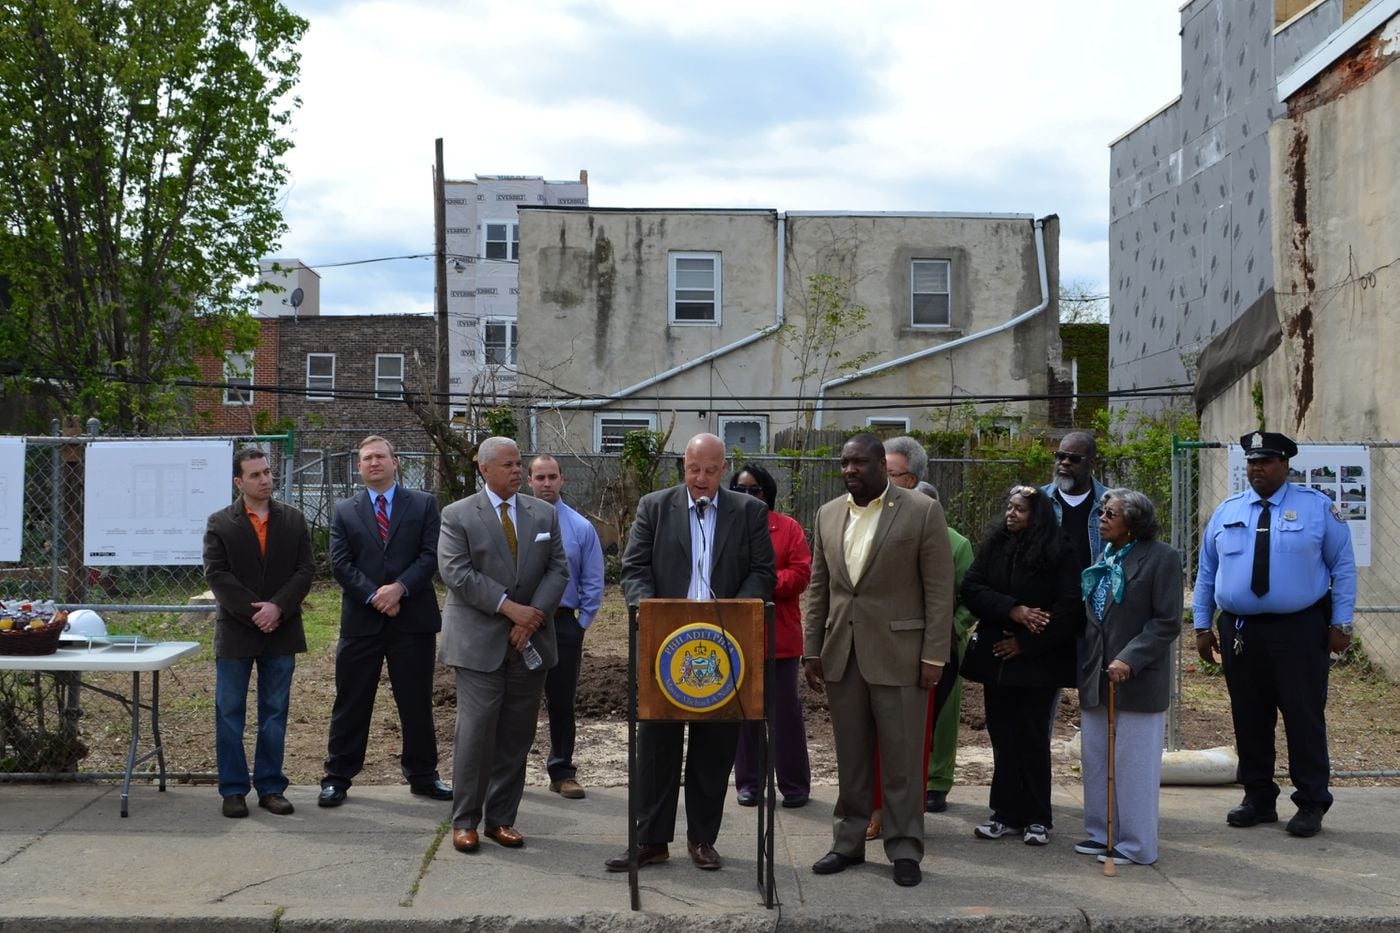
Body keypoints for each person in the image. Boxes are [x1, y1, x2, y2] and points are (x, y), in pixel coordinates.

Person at [605, 433, 775, 873]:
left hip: (725, 647)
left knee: (714, 747)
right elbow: (635, 568)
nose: (701, 480)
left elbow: (761, 573)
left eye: (711, 471)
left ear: (724, 469)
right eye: (694, 469)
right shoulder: (655, 507)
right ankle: (651, 840)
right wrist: (645, 609)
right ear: (684, 466)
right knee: (657, 746)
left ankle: (703, 839)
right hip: (665, 645)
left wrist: (738, 615)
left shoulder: (750, 512)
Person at [804, 433, 956, 889]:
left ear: (880, 466)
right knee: (851, 759)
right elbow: (819, 588)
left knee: (902, 761)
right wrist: (812, 648)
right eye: (845, 463)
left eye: (860, 463)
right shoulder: (827, 514)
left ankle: (905, 847)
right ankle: (847, 843)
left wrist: (934, 654)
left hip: (902, 657)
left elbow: (939, 590)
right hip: (842, 656)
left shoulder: (921, 510)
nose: (850, 470)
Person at [1193, 431, 1356, 838]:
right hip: (1240, 630)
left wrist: (1341, 623)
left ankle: (1312, 801)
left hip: (1299, 629)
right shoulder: (1228, 510)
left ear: (1286, 465)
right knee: (1249, 716)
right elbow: (1207, 572)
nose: (1257, 469)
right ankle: (1258, 798)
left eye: (1266, 462)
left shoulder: (1318, 509)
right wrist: (1200, 624)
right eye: (1251, 462)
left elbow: (1343, 568)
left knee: (1303, 716)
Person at [438, 436, 568, 854]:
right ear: (485, 470)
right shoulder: (457, 515)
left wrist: (532, 618)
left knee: (517, 734)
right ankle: (465, 821)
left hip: (529, 640)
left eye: (519, 463)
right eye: (509, 465)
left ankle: (501, 819)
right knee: (476, 733)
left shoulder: (543, 513)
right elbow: (457, 574)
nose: (517, 471)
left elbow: (558, 570)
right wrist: (511, 609)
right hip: (479, 644)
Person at [318, 436, 450, 808]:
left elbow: (431, 554)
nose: (373, 462)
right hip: (362, 621)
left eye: (380, 456)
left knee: (416, 702)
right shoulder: (344, 510)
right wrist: (375, 595)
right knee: (351, 701)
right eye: (366, 459)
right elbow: (340, 563)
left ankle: (424, 775)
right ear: (359, 468)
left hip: (413, 621)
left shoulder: (423, 504)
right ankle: (337, 777)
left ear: (395, 462)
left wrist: (400, 589)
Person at [960, 484, 1083, 847]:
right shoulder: (996, 545)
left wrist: (1026, 642)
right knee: (1002, 737)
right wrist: (1012, 609)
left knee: (1031, 737)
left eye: (1020, 510)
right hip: (997, 660)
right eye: (1009, 507)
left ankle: (1037, 818)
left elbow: (1070, 609)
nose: (1010, 514)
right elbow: (972, 587)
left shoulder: (1060, 552)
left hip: (1038, 663)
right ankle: (1004, 814)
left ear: (1037, 516)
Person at [203, 448, 315, 819]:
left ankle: (270, 787)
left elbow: (305, 570)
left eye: (267, 472)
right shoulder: (220, 523)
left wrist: (277, 608)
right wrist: (256, 611)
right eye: (255, 475)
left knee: (274, 712)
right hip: (237, 632)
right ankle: (233, 790)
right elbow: (217, 575)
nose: (265, 479)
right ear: (239, 482)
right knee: (229, 712)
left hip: (281, 631)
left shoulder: (294, 520)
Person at [1077, 488, 1182, 866]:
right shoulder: (1103, 557)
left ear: (1133, 523)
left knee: (1133, 765)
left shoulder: (1162, 558)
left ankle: (1137, 844)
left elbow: (1166, 621)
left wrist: (1129, 658)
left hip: (1137, 678)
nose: (1102, 518)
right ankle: (1102, 833)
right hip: (1096, 676)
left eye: (1111, 513)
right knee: (1096, 759)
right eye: (1102, 512)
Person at [730, 462, 813, 810]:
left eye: (755, 490)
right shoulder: (725, 528)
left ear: (768, 494)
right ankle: (749, 783)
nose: (748, 497)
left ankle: (794, 784)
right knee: (744, 712)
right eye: (740, 490)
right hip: (737, 636)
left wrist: (760, 583)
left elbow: (800, 575)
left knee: (785, 714)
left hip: (780, 636)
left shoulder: (788, 528)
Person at [528, 453, 605, 800]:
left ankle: (562, 770)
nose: (546, 483)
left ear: (562, 480)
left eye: (552, 477)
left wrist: (581, 624)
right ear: (529, 480)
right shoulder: (516, 523)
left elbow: (594, 579)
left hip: (563, 625)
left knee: (562, 701)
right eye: (539, 477)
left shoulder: (580, 527)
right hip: (521, 624)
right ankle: (510, 769)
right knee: (518, 701)